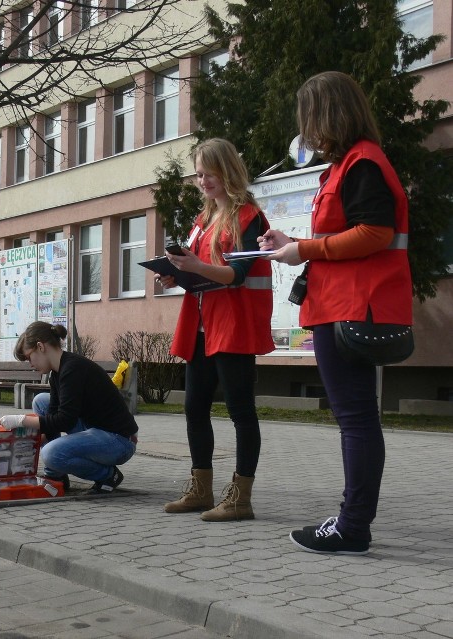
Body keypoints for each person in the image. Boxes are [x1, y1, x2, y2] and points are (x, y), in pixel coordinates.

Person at [259, 72, 412, 555]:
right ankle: (353, 521)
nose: (308, 132)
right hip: (342, 305)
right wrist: (293, 244)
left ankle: (352, 526)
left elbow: (375, 233)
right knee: (359, 418)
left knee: (357, 420)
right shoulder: (352, 163)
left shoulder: (361, 163)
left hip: (350, 309)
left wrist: (302, 249)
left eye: (310, 120)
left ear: (327, 115)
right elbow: (350, 234)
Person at [159, 138, 274, 522]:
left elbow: (235, 275)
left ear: (227, 171)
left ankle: (241, 498)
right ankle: (201, 489)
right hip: (201, 326)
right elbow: (196, 267)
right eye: (198, 174)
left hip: (233, 326)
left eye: (208, 172)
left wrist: (192, 267)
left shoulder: (249, 216)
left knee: (241, 410)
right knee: (194, 408)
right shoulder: (202, 219)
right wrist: (174, 274)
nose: (202, 180)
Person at [0, 322, 139, 493]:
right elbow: (53, 417)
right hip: (97, 430)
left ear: (40, 347)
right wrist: (31, 442)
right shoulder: (57, 373)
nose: (30, 364)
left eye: (29, 357)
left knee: (51, 454)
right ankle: (55, 474)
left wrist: (22, 421)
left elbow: (65, 420)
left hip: (119, 441)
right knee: (41, 401)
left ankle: (107, 475)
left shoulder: (72, 369)